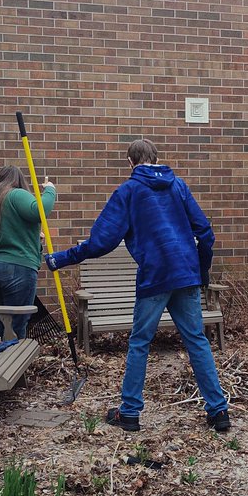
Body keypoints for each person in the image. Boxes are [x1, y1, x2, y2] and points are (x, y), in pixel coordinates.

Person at [44, 138, 230, 433]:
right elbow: (205, 232)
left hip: (156, 276)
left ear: (130, 162)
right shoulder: (178, 186)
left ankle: (129, 412)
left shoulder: (128, 191)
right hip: (185, 273)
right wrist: (201, 270)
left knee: (140, 342)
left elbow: (102, 241)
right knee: (196, 340)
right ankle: (219, 412)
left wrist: (60, 259)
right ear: (157, 158)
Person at [0, 165, 57, 339]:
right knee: (17, 324)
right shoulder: (15, 194)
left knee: (1, 319)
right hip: (17, 268)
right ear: (19, 180)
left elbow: (5, 231)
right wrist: (50, 190)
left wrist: (34, 237)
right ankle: (13, 362)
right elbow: (39, 211)